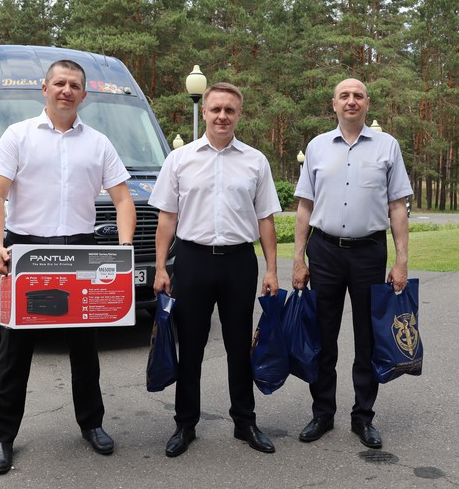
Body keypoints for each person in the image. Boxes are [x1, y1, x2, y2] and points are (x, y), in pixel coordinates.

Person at [0, 60, 136, 474]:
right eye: (59, 83)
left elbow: (123, 199)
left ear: (83, 95)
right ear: (45, 89)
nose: (66, 90)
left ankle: (92, 425)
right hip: (28, 253)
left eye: (74, 85)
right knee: (15, 353)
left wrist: (123, 248)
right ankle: (2, 437)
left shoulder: (99, 143)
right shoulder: (18, 136)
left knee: (85, 351)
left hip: (81, 251)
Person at [148, 82, 281, 457]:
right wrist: (160, 268)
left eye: (230, 110)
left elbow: (266, 219)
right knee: (191, 345)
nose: (222, 116)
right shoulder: (180, 159)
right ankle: (185, 424)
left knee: (240, 345)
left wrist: (272, 269)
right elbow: (167, 218)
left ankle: (245, 421)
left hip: (239, 262)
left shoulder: (255, 161)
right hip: (192, 261)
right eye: (216, 109)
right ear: (204, 112)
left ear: (239, 115)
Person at [292, 78, 412, 449]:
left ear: (367, 103)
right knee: (322, 338)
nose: (351, 101)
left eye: (358, 95)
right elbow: (305, 206)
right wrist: (298, 258)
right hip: (324, 252)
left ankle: (363, 417)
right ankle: (322, 413)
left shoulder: (387, 146)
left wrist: (401, 260)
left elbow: (397, 207)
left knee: (368, 339)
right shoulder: (316, 147)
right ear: (334, 104)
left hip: (369, 253)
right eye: (344, 96)